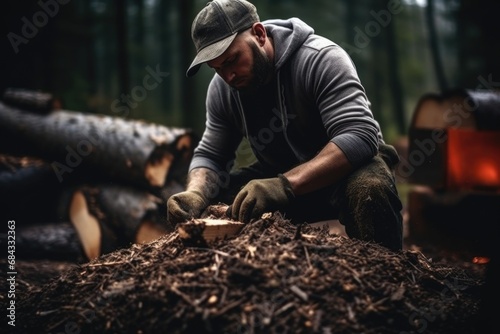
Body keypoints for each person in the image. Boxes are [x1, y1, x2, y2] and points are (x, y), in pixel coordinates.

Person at [167, 0, 403, 251]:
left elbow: (359, 135)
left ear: (258, 34)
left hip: (345, 173)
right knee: (212, 197)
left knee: (370, 189)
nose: (228, 76)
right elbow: (211, 155)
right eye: (216, 68)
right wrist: (196, 194)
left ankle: (388, 276)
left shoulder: (320, 58)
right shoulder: (222, 89)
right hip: (279, 177)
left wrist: (284, 185)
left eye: (232, 60)